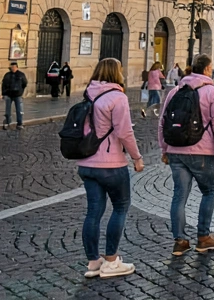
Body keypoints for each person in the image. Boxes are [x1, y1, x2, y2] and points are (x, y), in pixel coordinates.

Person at [78, 58, 146, 278]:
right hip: (111, 163)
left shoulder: (88, 94)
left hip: (86, 163)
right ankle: (111, 261)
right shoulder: (117, 97)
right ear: (117, 73)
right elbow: (124, 132)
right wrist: (136, 157)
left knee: (93, 212)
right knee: (120, 207)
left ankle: (93, 262)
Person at [159, 55, 214, 255]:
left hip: (175, 150)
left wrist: (164, 149)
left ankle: (180, 240)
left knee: (179, 195)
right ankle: (203, 237)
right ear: (207, 69)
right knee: (208, 192)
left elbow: (163, 122)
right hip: (202, 151)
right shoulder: (211, 92)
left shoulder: (175, 91)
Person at [2, 61, 27, 130]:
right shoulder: (7, 75)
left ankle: (19, 123)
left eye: (14, 67)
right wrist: (4, 94)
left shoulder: (21, 75)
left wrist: (21, 91)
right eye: (12, 67)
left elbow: (24, 83)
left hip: (17, 95)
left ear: (17, 67)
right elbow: (3, 84)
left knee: (19, 110)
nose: (13, 68)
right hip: (8, 94)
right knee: (7, 110)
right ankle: (7, 122)